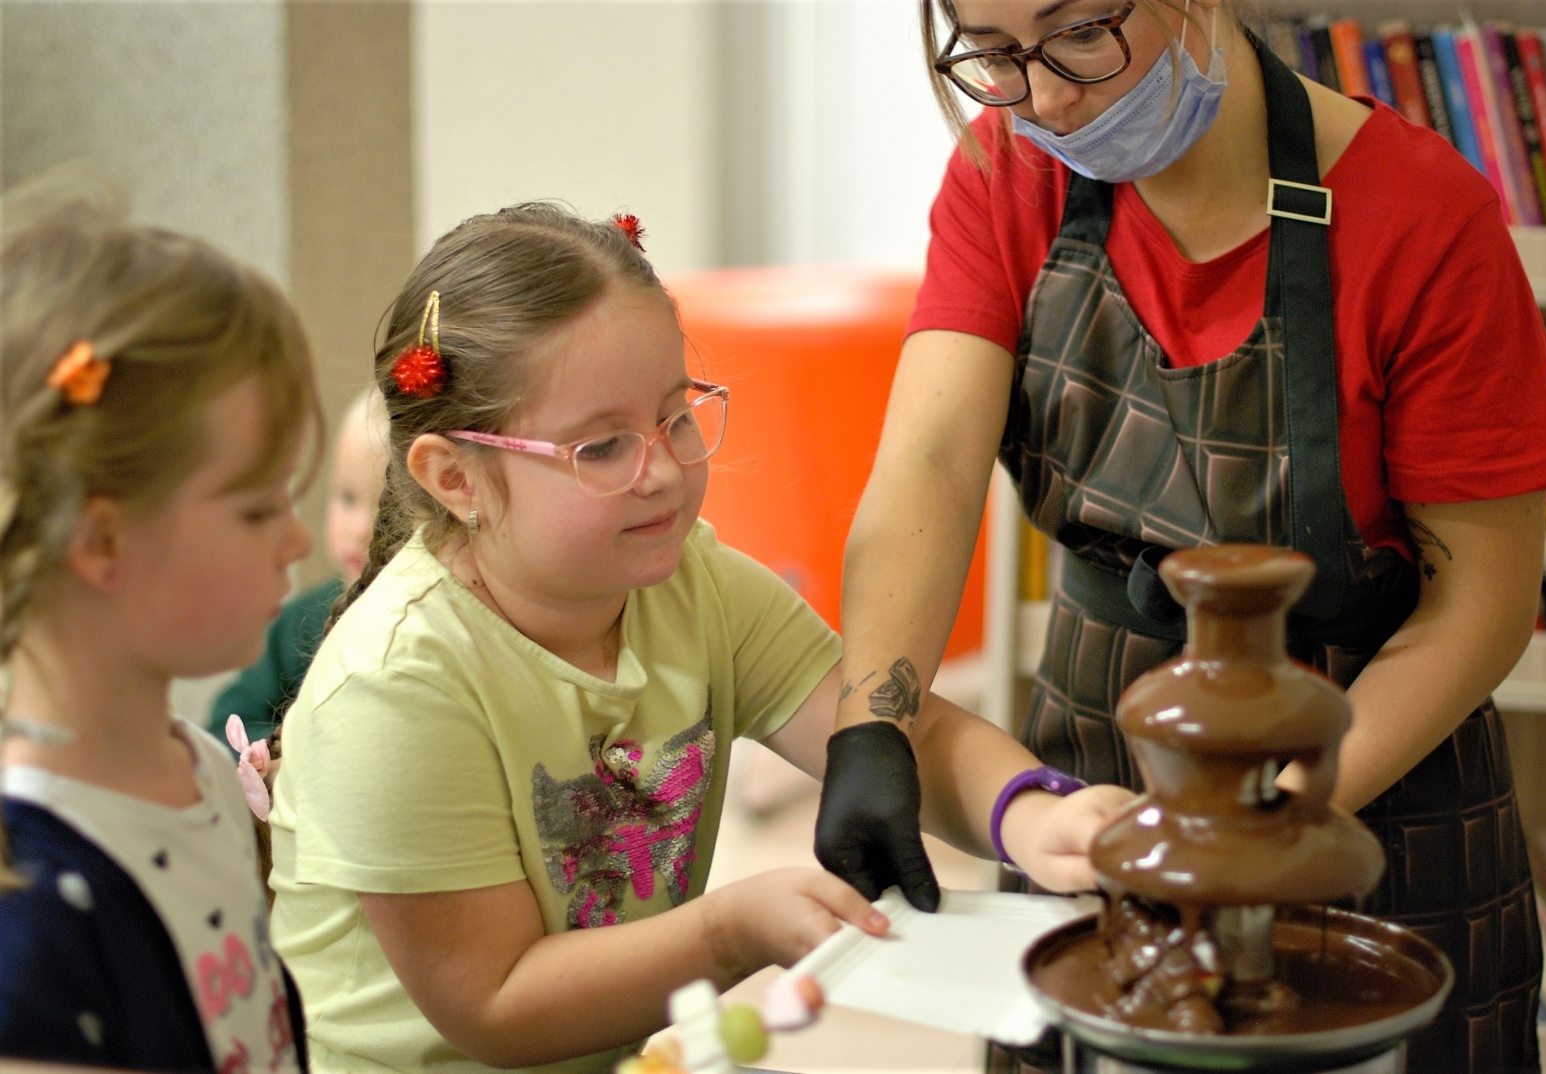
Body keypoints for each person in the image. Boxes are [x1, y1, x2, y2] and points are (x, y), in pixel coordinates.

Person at [814, 3, 1546, 1073]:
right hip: (1092, 770)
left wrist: (1263, 827)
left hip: (1368, 784)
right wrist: (872, 725)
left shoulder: (1421, 215)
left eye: (1080, 31)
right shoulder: (1007, 174)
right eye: (992, 53)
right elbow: (927, 468)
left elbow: (1480, 603)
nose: (1045, 98)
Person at [266, 201, 1135, 1074]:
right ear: (457, 476)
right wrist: (730, 931)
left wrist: (1027, 814)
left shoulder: (695, 586)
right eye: (602, 448)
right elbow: (495, 1003)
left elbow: (883, 729)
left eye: (677, 416)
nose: (666, 469)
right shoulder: (395, 687)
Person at [0, 189, 320, 1071]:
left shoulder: (202, 775)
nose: (297, 539)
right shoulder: (30, 913)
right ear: (104, 539)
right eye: (259, 509)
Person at [208, 384, 388, 748]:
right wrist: (273, 753)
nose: (361, 529)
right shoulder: (298, 623)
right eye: (348, 499)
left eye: (388, 511)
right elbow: (226, 725)